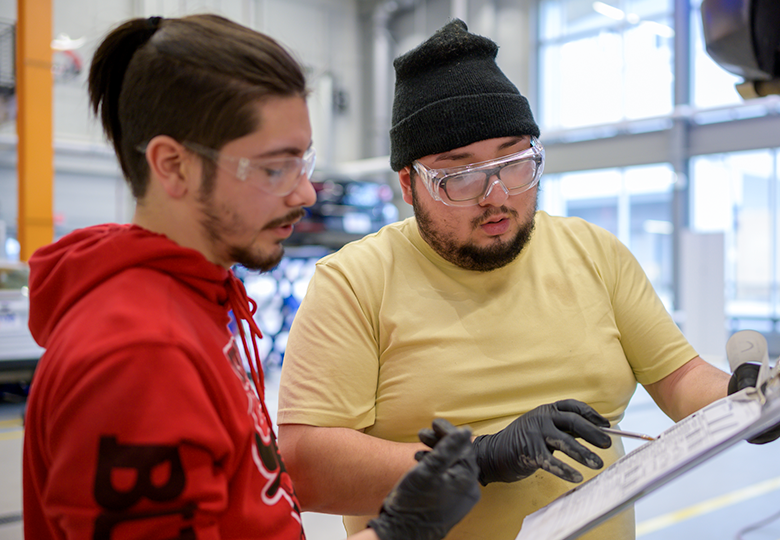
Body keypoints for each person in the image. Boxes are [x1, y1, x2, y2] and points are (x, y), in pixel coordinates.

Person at [276, 19, 780, 540]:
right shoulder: (354, 281)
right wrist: (480, 460)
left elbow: (678, 377)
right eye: (461, 176)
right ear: (409, 186)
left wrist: (738, 398)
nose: (497, 196)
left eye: (516, 162)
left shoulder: (593, 252)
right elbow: (304, 467)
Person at [22, 14, 481, 540]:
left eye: (303, 163)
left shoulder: (195, 305)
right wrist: (399, 531)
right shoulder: (140, 353)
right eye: (274, 168)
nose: (306, 195)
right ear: (173, 166)